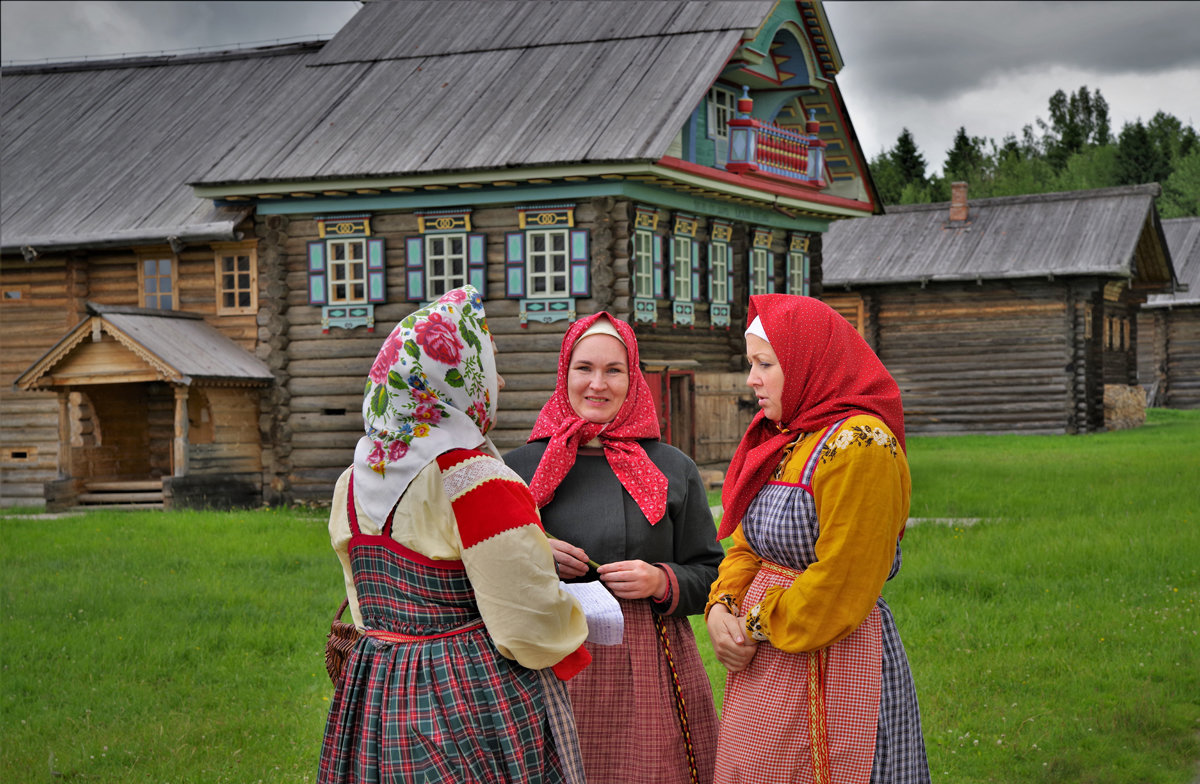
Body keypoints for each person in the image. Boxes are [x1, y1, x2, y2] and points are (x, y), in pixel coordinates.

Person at [318, 285, 592, 784]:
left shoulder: (353, 480)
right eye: (488, 368)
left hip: (376, 691)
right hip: (468, 698)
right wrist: (573, 621)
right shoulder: (475, 478)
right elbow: (526, 625)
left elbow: (364, 603)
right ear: (456, 383)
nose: (501, 382)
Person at [705, 294, 931, 784]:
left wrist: (755, 621)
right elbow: (747, 543)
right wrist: (721, 606)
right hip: (766, 660)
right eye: (751, 364)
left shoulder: (860, 444)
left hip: (834, 657)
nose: (752, 379)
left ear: (809, 359)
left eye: (765, 363)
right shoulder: (786, 437)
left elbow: (845, 576)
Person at [504, 311, 724, 784]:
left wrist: (661, 579)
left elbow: (712, 572)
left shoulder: (672, 468)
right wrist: (534, 557)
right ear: (564, 374)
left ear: (634, 378)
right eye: (584, 368)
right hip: (548, 663)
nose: (597, 384)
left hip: (648, 662)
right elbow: (483, 574)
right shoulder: (518, 468)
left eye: (613, 370)